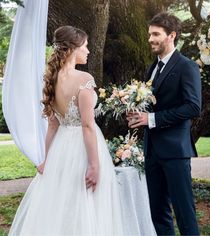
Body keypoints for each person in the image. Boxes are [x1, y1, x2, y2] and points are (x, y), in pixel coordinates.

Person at [9, 25, 124, 236]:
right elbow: (87, 126)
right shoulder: (84, 79)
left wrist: (47, 159)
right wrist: (94, 164)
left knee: (61, 202)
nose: (88, 51)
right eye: (85, 46)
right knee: (85, 201)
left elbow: (53, 125)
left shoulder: (52, 79)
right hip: (82, 148)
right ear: (73, 48)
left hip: (61, 148)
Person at [127, 12, 201, 236]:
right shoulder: (152, 68)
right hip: (152, 151)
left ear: (172, 36)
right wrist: (137, 113)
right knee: (158, 213)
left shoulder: (187, 66)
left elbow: (193, 107)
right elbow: (153, 104)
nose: (150, 39)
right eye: (150, 34)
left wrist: (151, 119)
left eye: (156, 34)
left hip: (175, 151)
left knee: (184, 213)